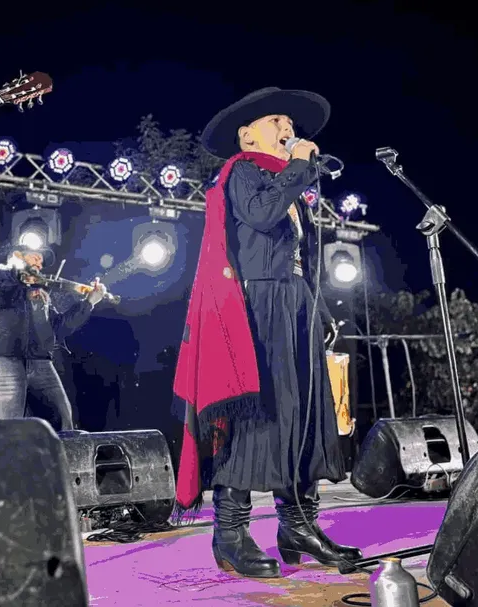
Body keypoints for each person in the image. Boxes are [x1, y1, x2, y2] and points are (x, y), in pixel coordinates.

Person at [173, 87, 363, 578]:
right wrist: (300, 167)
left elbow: (298, 259)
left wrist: (317, 314)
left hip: (293, 306)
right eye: (277, 120)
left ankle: (298, 525)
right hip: (255, 308)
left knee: (299, 417)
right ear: (247, 133)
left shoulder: (286, 182)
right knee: (256, 416)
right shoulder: (239, 172)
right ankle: (230, 534)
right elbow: (259, 216)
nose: (287, 128)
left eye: (289, 123)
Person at [0, 248, 106, 430]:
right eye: (36, 258)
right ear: (17, 255)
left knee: (61, 427)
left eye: (41, 263)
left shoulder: (39, 292)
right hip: (0, 359)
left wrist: (88, 303)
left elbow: (58, 327)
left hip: (41, 364)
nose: (39, 264)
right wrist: (21, 290)